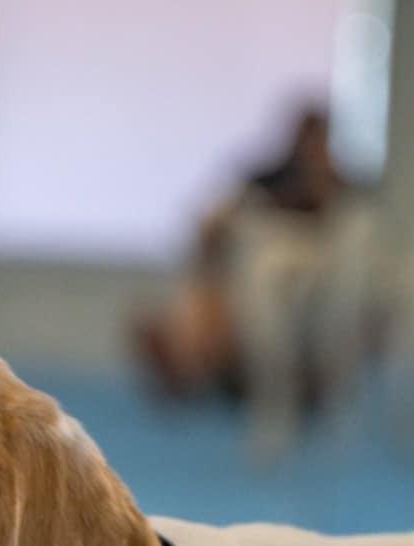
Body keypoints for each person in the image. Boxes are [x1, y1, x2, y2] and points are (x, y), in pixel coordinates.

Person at [131, 105, 354, 404]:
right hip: (234, 285)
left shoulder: (342, 195)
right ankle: (192, 367)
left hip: (296, 294)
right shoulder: (263, 181)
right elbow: (212, 225)